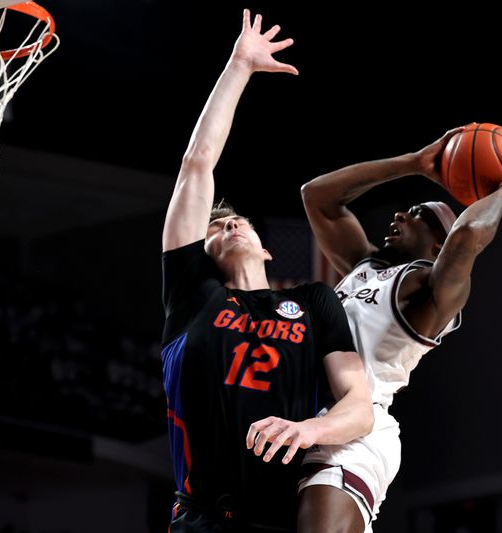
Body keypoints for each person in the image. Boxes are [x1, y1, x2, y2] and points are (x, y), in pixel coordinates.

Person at [161, 10, 374, 532]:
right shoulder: (194, 294)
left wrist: (309, 430)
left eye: (239, 221)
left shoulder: (315, 301)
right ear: (199, 251)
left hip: (282, 518)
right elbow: (198, 164)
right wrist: (239, 66)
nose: (230, 225)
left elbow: (360, 407)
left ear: (267, 249)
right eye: (216, 227)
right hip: (202, 517)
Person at [296, 127, 502, 532]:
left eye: (418, 214)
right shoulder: (363, 266)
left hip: (354, 433)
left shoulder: (426, 291)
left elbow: (468, 235)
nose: (399, 214)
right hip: (301, 420)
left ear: (438, 245)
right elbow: (317, 196)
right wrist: (415, 163)